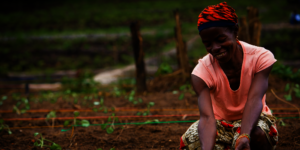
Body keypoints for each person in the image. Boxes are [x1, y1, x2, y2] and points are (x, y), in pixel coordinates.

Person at [180, 2, 278, 150]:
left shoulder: (260, 58)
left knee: (256, 135)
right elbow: (207, 118)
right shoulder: (201, 73)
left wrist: (244, 135)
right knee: (191, 142)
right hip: (221, 124)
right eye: (207, 44)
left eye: (221, 39)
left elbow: (254, 99)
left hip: (254, 118)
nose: (215, 48)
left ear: (235, 30)